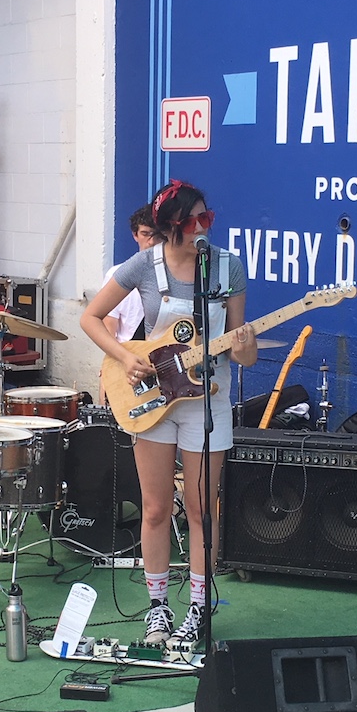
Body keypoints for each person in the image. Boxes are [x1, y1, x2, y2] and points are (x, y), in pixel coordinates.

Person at [81, 180, 256, 647]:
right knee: (156, 507)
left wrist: (244, 344)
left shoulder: (227, 266)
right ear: (169, 226)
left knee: (201, 508)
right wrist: (124, 357)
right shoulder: (143, 265)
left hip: (207, 399)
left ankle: (198, 608)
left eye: (207, 218)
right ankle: (157, 608)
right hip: (155, 397)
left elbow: (244, 354)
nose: (203, 228)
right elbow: (90, 318)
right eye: (193, 221)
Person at [102, 204, 162, 344]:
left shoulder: (176, 276)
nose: (151, 242)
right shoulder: (117, 274)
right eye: (145, 234)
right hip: (126, 352)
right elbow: (109, 329)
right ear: (135, 235)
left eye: (157, 235)